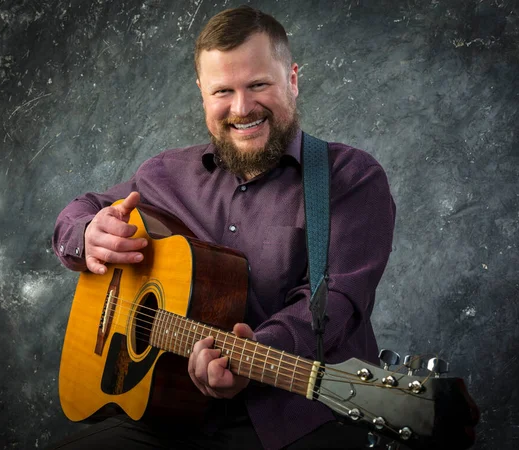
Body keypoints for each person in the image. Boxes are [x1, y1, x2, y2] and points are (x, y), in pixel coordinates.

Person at [50, 5, 398, 450]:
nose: (241, 108)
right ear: (201, 92)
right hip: (164, 414)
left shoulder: (350, 178)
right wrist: (86, 234)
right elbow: (83, 208)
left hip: (289, 417)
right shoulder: (164, 174)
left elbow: (336, 303)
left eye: (258, 85)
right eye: (222, 91)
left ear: (292, 79)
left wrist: (249, 355)